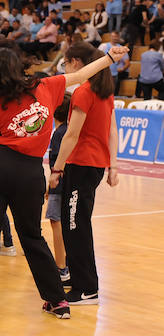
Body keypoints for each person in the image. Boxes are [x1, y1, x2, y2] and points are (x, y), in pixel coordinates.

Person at [0, 42, 129, 332]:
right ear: (20, 66)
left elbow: (3, 131)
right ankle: (57, 300)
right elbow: (82, 75)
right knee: (32, 236)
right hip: (32, 173)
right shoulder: (46, 86)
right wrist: (109, 57)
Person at [48, 42, 117, 306]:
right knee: (76, 224)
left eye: (66, 63)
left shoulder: (84, 92)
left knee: (75, 226)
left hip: (82, 165)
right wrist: (113, 166)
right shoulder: (104, 93)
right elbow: (112, 132)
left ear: (77, 63)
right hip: (93, 166)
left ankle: (87, 288)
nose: (65, 68)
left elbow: (72, 134)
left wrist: (57, 168)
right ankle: (80, 280)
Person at [47, 95, 71, 284]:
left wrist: (51, 185)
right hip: (69, 184)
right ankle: (67, 265)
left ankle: (61, 267)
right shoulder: (68, 130)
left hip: (60, 185)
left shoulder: (59, 133)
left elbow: (57, 164)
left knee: (56, 222)